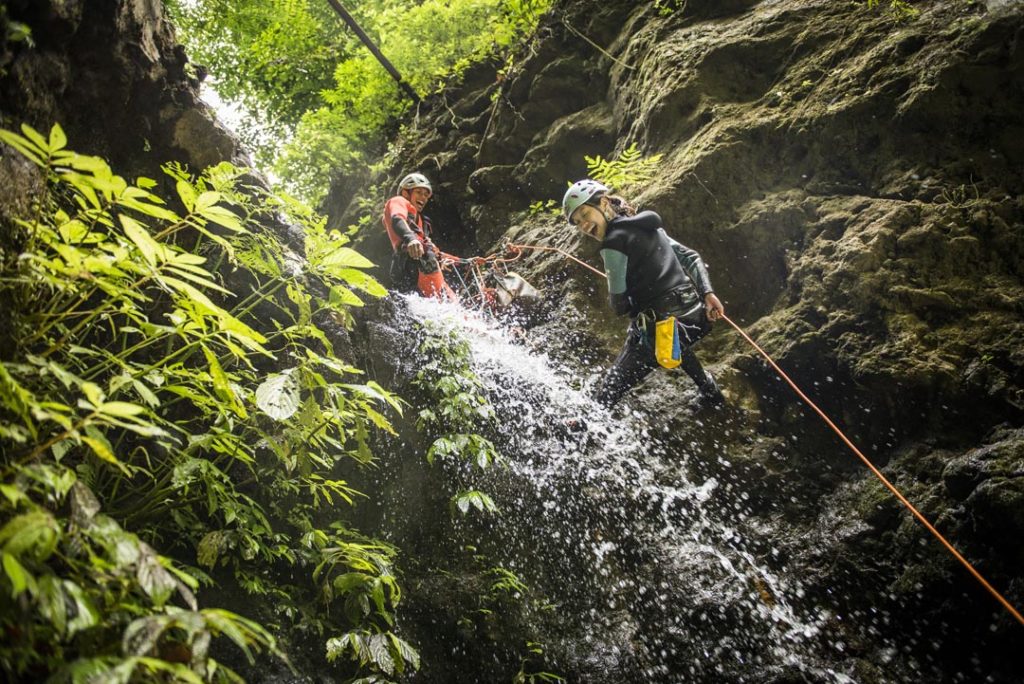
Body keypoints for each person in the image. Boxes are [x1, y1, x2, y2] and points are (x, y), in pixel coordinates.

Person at [562, 179, 726, 408]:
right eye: (577, 223)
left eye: (584, 214)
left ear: (603, 202)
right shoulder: (648, 225)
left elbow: (619, 305)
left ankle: (582, 427)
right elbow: (690, 257)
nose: (583, 225)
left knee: (606, 394)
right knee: (669, 331)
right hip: (696, 318)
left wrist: (630, 299)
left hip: (658, 333)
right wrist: (708, 294)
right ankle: (710, 390)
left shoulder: (612, 243)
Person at [381, 172, 454, 299]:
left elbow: (434, 250)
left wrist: (463, 261)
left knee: (451, 302)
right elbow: (397, 219)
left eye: (426, 195)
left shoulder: (420, 222)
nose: (424, 198)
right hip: (411, 265)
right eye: (419, 192)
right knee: (444, 304)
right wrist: (411, 239)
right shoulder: (398, 201)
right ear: (406, 193)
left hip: (425, 267)